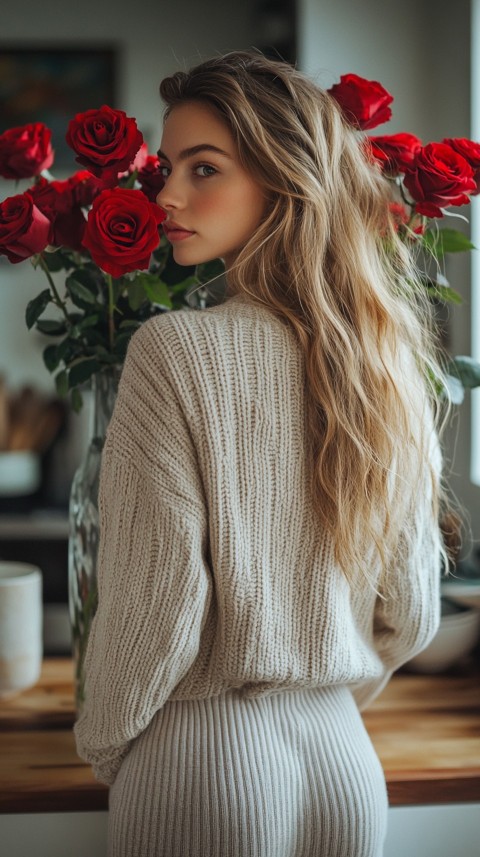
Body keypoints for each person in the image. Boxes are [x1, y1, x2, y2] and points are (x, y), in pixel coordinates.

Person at [74, 50, 448, 857]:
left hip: (198, 764)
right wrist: (318, 688)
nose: (168, 194)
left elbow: (156, 602)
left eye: (203, 167)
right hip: (345, 765)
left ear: (286, 181)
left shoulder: (174, 350)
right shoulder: (384, 362)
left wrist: (107, 744)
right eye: (168, 166)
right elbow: (411, 608)